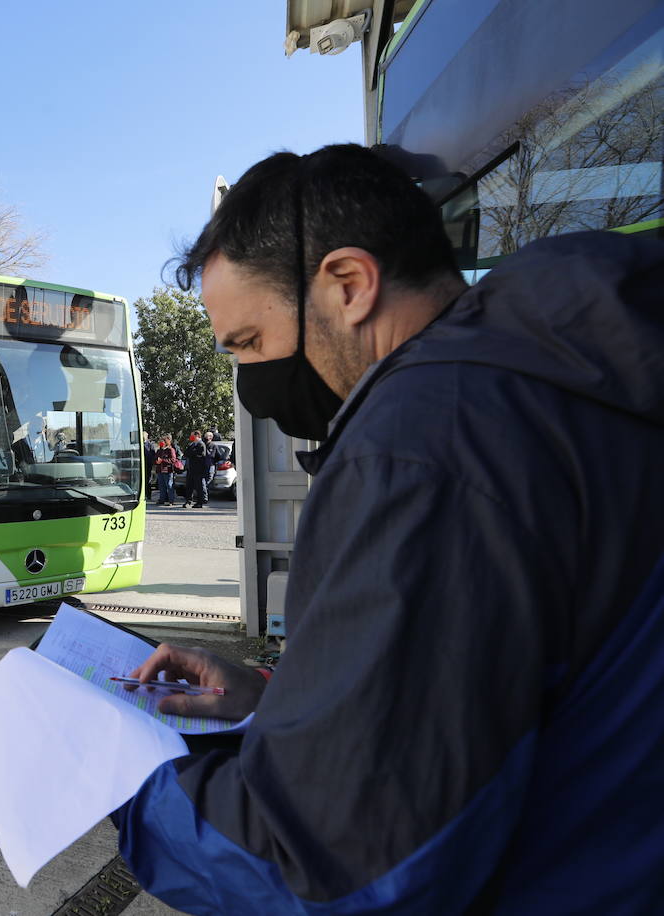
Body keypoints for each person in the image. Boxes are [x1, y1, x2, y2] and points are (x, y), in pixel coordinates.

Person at [109, 144, 664, 913]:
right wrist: (279, 699)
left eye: (249, 344)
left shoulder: (418, 449)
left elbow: (334, 867)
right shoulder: (555, 375)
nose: (250, 381)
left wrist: (118, 771)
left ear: (348, 284)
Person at [181, 430, 209, 508]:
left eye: (192, 435)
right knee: (189, 486)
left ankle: (200, 502)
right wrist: (192, 453)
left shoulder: (201, 444)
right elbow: (186, 453)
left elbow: (201, 455)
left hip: (198, 470)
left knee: (198, 486)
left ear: (197, 436)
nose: (191, 437)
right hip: (190, 469)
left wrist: (192, 453)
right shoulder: (192, 444)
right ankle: (188, 501)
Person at [152, 438, 178, 506]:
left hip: (168, 471)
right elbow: (154, 459)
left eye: (162, 442)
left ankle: (171, 501)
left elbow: (173, 460)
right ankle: (162, 500)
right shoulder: (159, 450)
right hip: (160, 471)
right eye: (160, 442)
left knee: (169, 486)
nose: (161, 443)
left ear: (166, 442)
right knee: (161, 486)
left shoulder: (170, 450)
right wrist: (156, 461)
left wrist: (162, 460)